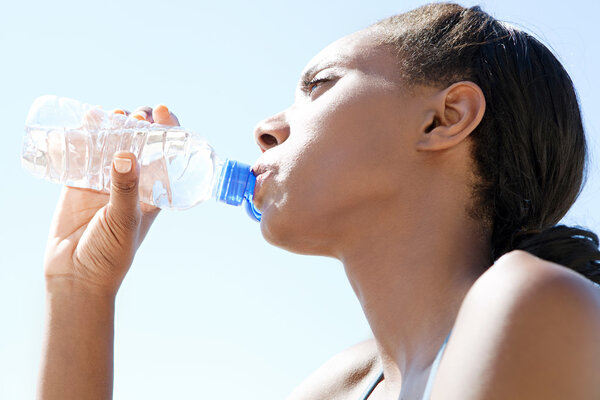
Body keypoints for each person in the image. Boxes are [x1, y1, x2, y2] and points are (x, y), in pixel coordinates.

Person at [38, 3, 600, 400]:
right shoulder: (344, 385)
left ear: (443, 118)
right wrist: (80, 291)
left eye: (320, 85)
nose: (265, 128)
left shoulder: (529, 305)